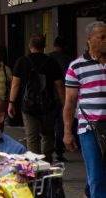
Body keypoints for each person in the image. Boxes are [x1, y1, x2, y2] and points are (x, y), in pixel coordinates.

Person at [63, 21, 106, 197]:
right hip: (90, 128)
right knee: (96, 175)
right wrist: (67, 132)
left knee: (98, 174)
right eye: (102, 37)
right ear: (89, 40)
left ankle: (89, 193)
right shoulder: (76, 67)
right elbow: (70, 102)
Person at [8, 34, 65, 162]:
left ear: (30, 46)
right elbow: (59, 85)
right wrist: (65, 103)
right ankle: (46, 162)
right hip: (48, 104)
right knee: (48, 135)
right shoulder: (51, 62)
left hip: (29, 105)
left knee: (32, 137)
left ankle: (35, 165)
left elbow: (15, 84)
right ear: (44, 47)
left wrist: (11, 103)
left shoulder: (22, 61)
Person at [48, 36, 74, 162]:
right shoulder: (69, 60)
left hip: (48, 96)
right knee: (60, 124)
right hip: (65, 94)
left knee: (48, 125)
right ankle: (59, 151)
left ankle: (47, 149)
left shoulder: (48, 58)